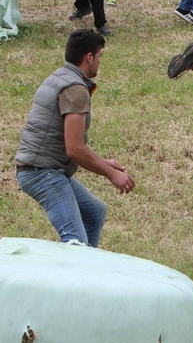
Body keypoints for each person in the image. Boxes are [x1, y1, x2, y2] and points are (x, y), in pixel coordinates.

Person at [15, 29, 135, 248]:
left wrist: (102, 163)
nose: (99, 62)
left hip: (41, 167)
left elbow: (69, 144)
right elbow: (75, 149)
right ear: (89, 57)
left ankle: (88, 269)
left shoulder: (59, 77)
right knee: (75, 240)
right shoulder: (75, 89)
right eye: (99, 57)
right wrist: (111, 174)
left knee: (94, 212)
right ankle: (76, 275)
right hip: (42, 172)